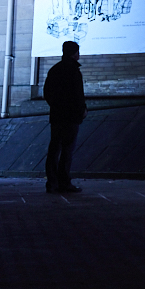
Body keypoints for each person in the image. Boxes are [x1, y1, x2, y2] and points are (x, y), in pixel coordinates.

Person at [43, 40, 87, 193]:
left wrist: (55, 106)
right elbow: (77, 94)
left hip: (57, 115)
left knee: (54, 148)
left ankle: (52, 182)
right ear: (75, 53)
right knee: (67, 150)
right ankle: (64, 182)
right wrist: (81, 110)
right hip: (71, 117)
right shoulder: (74, 71)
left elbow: (47, 93)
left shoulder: (54, 70)